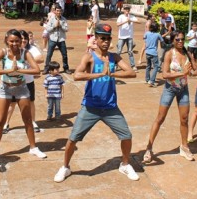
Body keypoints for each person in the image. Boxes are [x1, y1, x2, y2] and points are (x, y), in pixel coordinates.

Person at [54, 24, 139, 183]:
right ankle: (65, 167)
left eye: (108, 38)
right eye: (102, 38)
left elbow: (132, 73)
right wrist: (99, 73)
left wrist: (112, 73)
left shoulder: (114, 57)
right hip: (90, 107)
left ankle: (125, 164)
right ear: (96, 39)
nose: (105, 42)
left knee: (126, 136)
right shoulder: (89, 56)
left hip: (110, 107)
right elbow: (76, 75)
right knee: (73, 138)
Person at [0, 29, 47, 162]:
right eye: (12, 41)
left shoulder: (25, 53)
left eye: (17, 41)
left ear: (21, 41)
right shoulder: (2, 53)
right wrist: (9, 70)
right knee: (0, 120)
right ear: (6, 41)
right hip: (5, 88)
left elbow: (37, 70)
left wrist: (19, 69)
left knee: (28, 119)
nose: (14, 44)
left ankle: (33, 148)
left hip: (21, 88)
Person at [143, 31, 197, 164]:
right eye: (177, 40)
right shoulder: (169, 54)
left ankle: (184, 147)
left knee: (184, 119)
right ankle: (149, 149)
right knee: (160, 118)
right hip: (170, 89)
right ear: (173, 40)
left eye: (182, 39)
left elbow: (196, 70)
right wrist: (182, 73)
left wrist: (191, 72)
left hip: (183, 89)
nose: (180, 42)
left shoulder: (188, 54)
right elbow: (165, 75)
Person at [2, 30, 44, 134]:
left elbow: (41, 59)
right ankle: (6, 123)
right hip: (14, 81)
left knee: (30, 102)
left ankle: (33, 122)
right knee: (11, 104)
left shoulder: (31, 49)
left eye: (26, 38)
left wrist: (28, 59)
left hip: (28, 81)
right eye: (22, 39)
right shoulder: (12, 50)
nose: (24, 40)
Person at [42, 5, 71, 75]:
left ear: (61, 11)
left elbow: (67, 29)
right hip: (52, 39)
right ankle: (46, 68)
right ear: (55, 11)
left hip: (61, 39)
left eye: (60, 11)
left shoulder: (64, 19)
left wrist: (61, 26)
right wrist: (54, 26)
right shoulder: (51, 19)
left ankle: (66, 68)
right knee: (49, 55)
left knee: (64, 55)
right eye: (57, 11)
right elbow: (47, 29)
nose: (58, 12)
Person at [116, 6, 141, 72]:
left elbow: (139, 22)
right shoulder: (121, 16)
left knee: (130, 51)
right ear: (123, 10)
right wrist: (126, 21)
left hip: (129, 36)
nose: (127, 10)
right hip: (122, 36)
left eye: (128, 9)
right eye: (126, 9)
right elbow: (117, 24)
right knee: (119, 51)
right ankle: (115, 65)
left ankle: (133, 66)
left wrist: (131, 20)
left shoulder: (132, 16)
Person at [144, 22, 164, 87]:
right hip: (154, 53)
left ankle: (147, 80)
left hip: (147, 52)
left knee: (148, 66)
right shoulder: (158, 34)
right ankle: (152, 81)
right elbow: (162, 41)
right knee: (156, 67)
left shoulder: (147, 33)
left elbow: (144, 38)